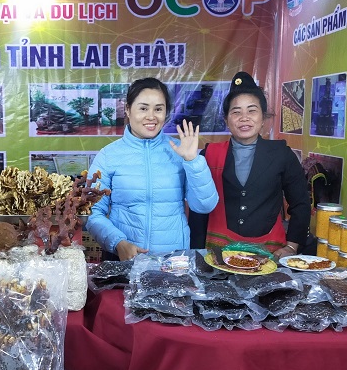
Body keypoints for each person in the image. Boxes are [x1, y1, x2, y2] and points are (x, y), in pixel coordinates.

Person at [87, 77, 219, 261]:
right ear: (128, 110)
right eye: (143, 108)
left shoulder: (179, 151)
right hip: (126, 259)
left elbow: (204, 206)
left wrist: (193, 161)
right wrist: (118, 243)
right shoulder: (108, 155)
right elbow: (92, 212)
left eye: (158, 109)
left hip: (173, 260)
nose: (151, 116)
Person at [189, 71, 310, 260]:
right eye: (236, 112)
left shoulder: (282, 155)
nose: (244, 117)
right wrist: (196, 253)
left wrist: (292, 247)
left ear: (263, 118)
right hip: (218, 257)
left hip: (269, 256)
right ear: (226, 120)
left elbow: (301, 203)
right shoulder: (209, 155)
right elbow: (198, 211)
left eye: (252, 111)